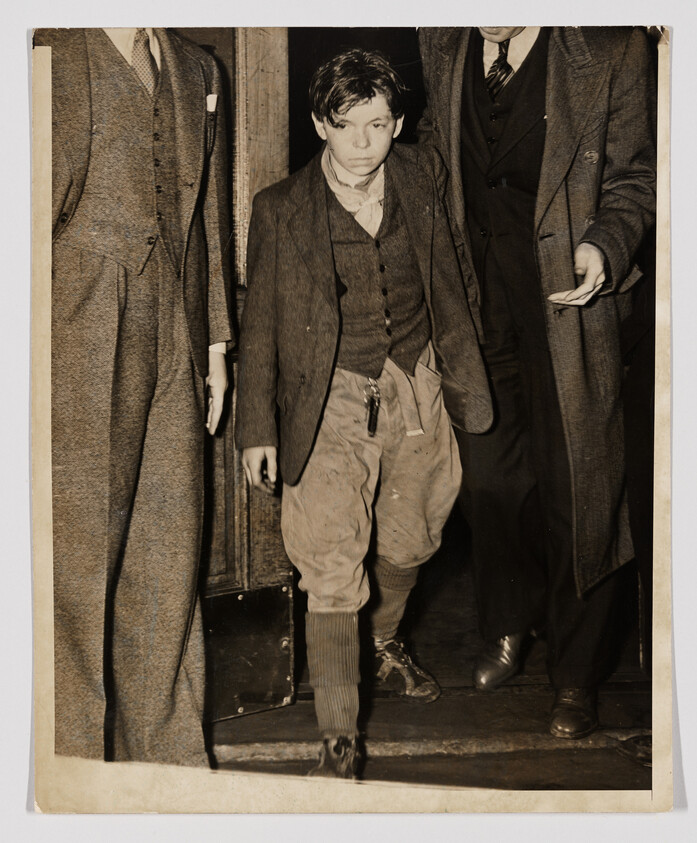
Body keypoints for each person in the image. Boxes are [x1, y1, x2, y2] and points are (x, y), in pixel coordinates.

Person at [235, 48, 492, 778]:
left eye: (378, 124)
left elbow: (454, 274)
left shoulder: (419, 175)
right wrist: (256, 428)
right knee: (328, 556)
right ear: (320, 124)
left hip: (415, 377)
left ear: (397, 123)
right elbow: (261, 330)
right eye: (346, 126)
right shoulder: (279, 209)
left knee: (412, 541)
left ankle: (380, 638)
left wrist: (463, 380)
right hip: (330, 391)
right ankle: (338, 738)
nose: (362, 143)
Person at [418, 26, 656, 738]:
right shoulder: (439, 41)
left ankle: (576, 677)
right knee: (489, 479)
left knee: (576, 487)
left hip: (568, 308)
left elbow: (636, 178)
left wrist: (604, 244)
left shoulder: (609, 51)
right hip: (475, 304)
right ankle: (508, 621)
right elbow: (437, 155)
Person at [34, 28, 233, 765]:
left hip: (174, 328)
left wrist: (214, 343)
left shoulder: (194, 66)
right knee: (72, 564)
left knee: (166, 550)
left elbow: (205, 215)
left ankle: (169, 769)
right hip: (71, 320)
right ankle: (68, 774)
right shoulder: (44, 47)